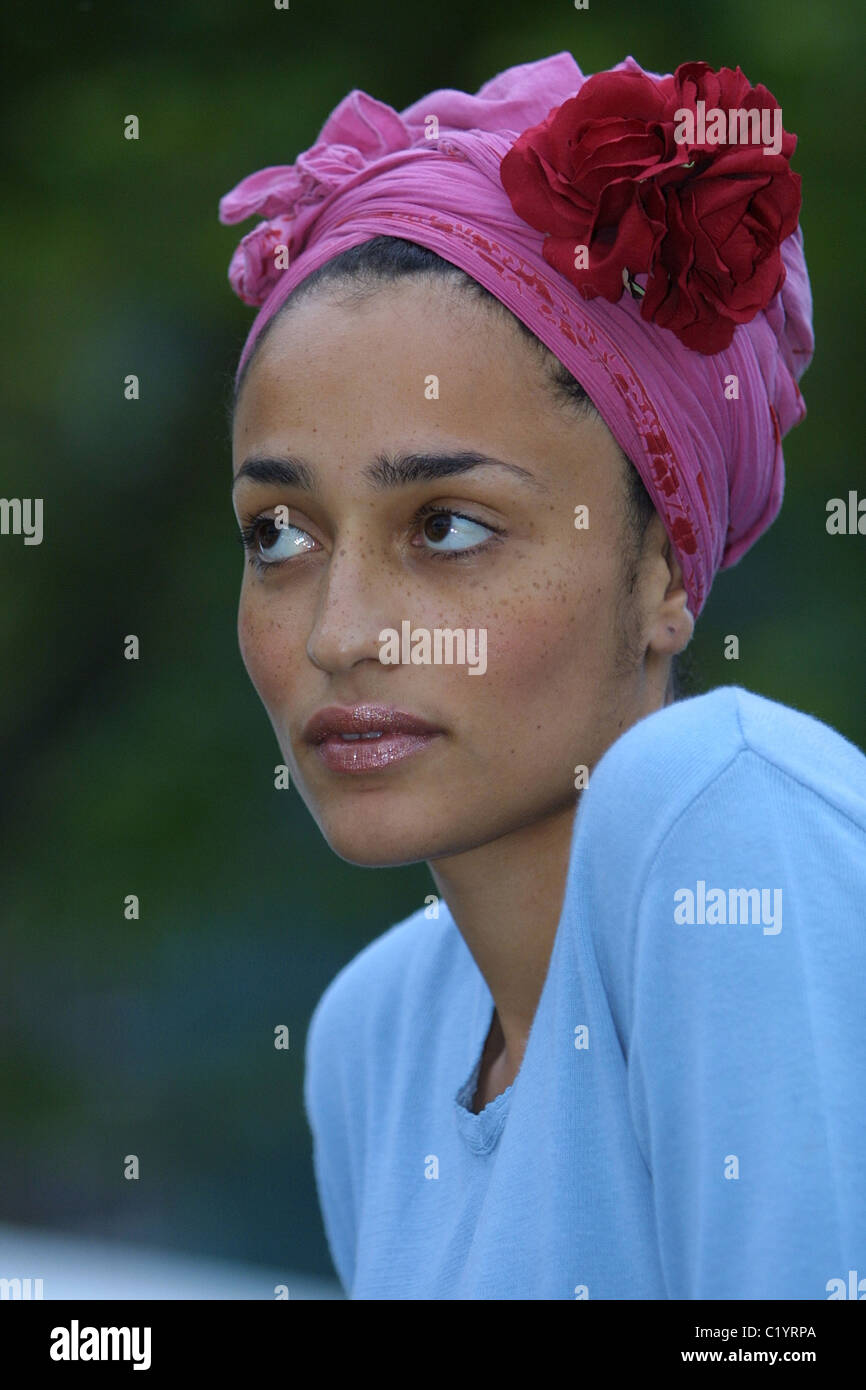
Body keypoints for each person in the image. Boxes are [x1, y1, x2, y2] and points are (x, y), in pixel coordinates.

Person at [219, 52, 866, 1299]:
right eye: (278, 536)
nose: (339, 633)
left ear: (662, 578)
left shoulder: (724, 812)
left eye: (448, 525)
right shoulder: (378, 1038)